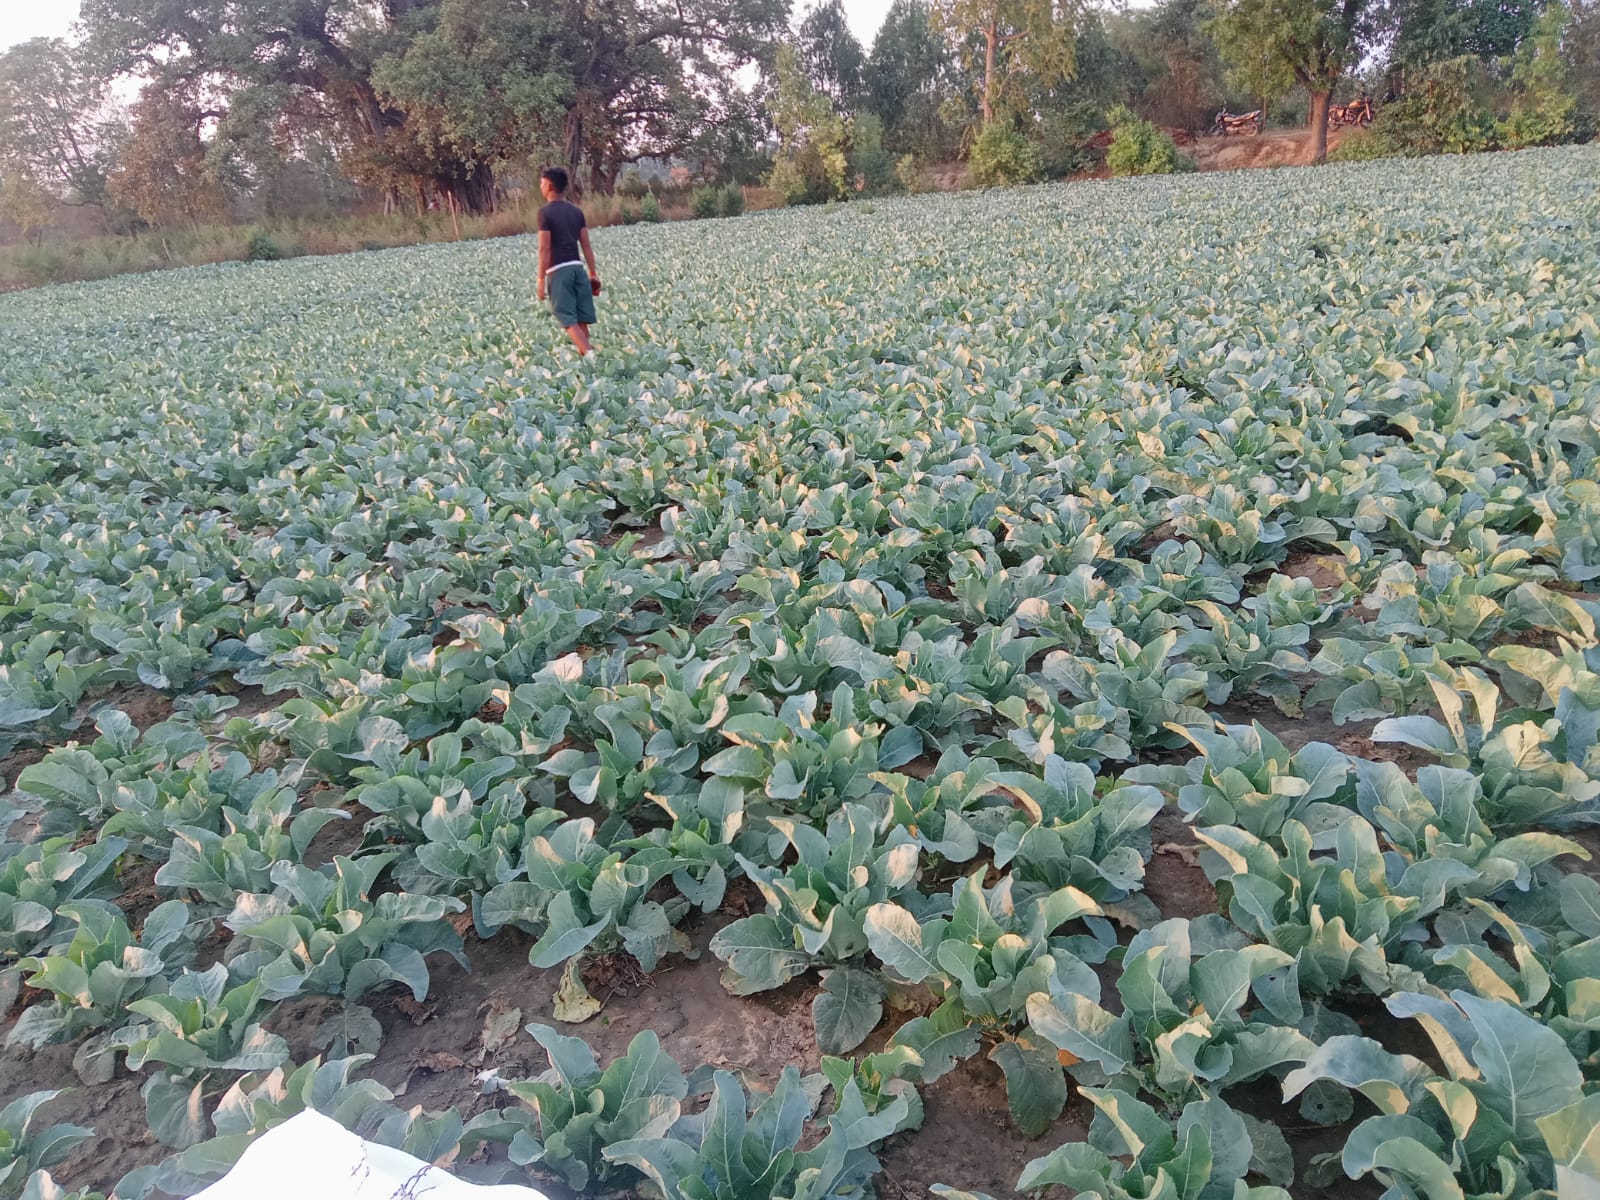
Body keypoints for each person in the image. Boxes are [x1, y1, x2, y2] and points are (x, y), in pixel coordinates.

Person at [536, 167, 602, 356]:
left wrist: (540, 280)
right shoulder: (576, 212)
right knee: (581, 320)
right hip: (578, 269)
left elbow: (544, 248)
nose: (540, 187)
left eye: (542, 183)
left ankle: (590, 355)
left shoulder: (545, 213)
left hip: (559, 272)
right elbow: (586, 246)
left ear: (549, 186)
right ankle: (588, 364)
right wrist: (593, 273)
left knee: (566, 318)